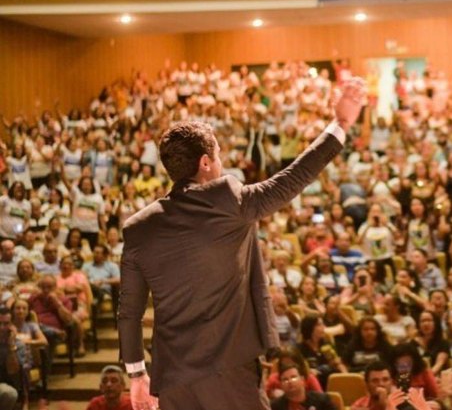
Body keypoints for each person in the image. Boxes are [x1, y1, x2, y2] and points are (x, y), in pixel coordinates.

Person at [118, 79, 365, 410]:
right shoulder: (227, 200)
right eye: (218, 155)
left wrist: (136, 374)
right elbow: (292, 179)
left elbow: (130, 311)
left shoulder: (138, 227)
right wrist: (341, 125)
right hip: (228, 371)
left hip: (172, 376)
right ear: (205, 163)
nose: (221, 164)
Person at [271, 363, 336, 410]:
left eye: (293, 377)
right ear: (281, 385)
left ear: (302, 380)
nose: (290, 381)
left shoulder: (322, 400)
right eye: (285, 379)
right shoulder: (275, 407)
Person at [0, 307, 22, 410]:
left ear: (11, 326)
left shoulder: (18, 345)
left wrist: (11, 345)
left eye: (5, 324)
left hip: (3, 385)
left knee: (9, 393)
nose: (1, 327)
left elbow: (12, 371)